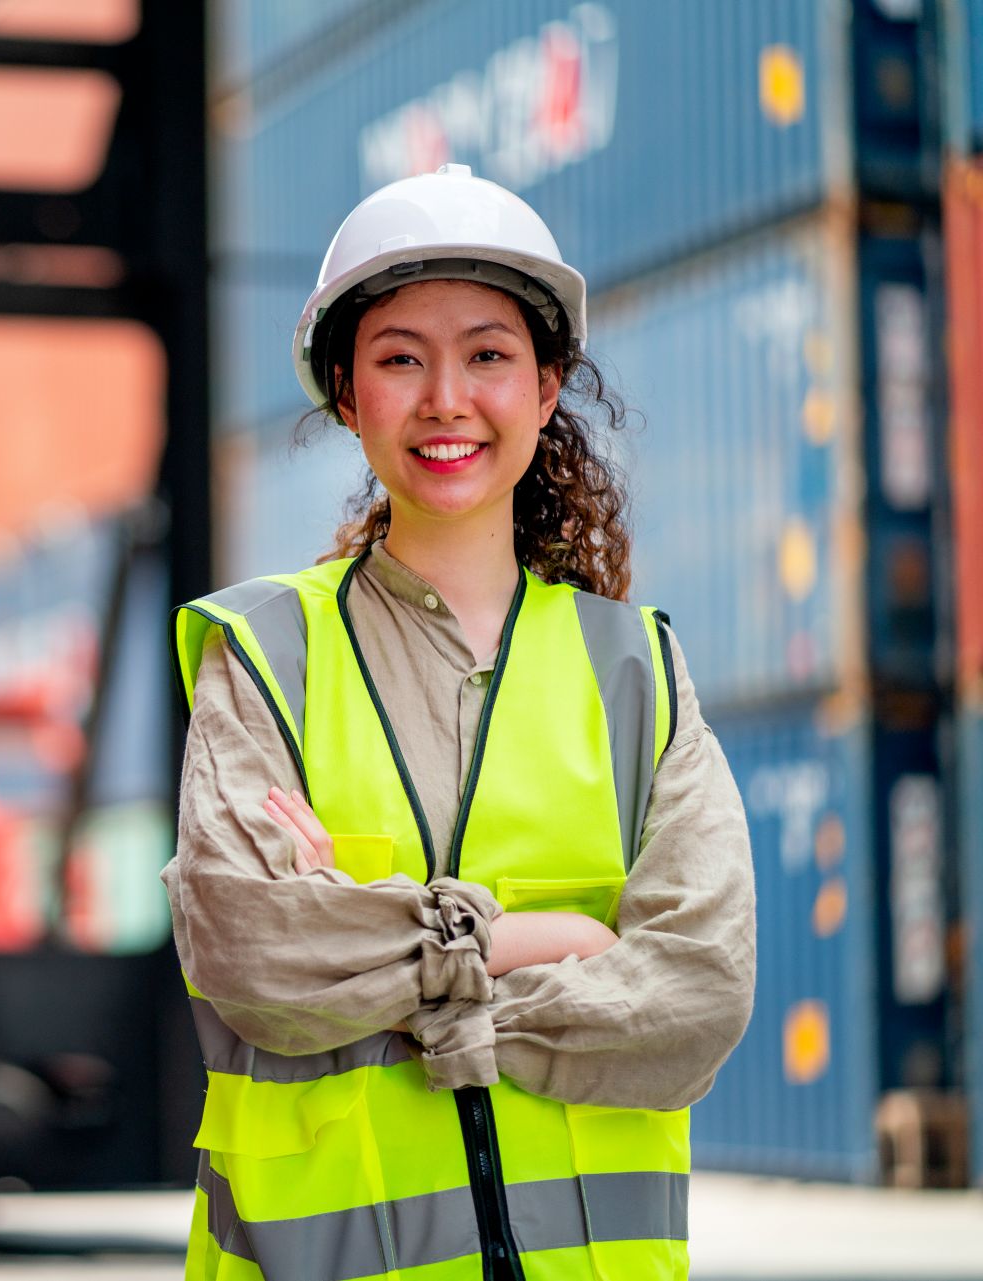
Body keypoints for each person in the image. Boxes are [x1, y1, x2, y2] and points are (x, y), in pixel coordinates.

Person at [161, 164, 755, 1281]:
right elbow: (259, 961)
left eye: (487, 354)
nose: (445, 399)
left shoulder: (638, 671)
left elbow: (698, 996)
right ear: (346, 393)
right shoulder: (267, 656)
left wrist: (377, 949)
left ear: (546, 387)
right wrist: (563, 942)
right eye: (400, 358)